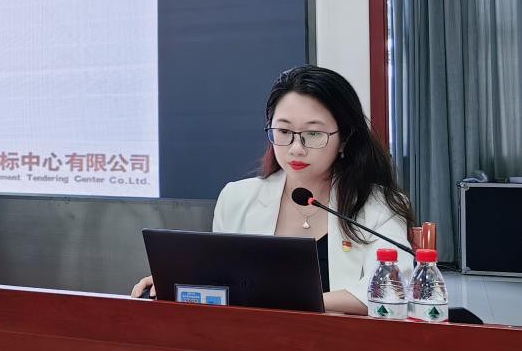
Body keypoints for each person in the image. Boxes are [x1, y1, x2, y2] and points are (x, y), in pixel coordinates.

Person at [131, 65, 417, 314]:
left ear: (344, 139)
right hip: (252, 345)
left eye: (313, 134)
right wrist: (176, 284)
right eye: (284, 132)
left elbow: (392, 289)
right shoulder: (238, 198)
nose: (296, 148)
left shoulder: (378, 205)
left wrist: (293, 301)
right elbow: (221, 283)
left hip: (344, 347)